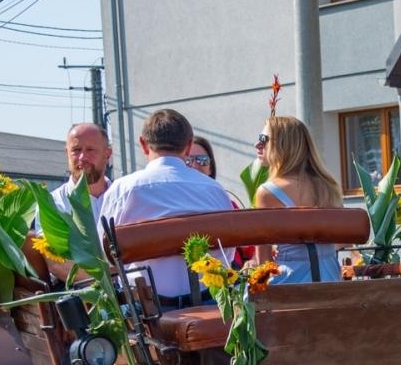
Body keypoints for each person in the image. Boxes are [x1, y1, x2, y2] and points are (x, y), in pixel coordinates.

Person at [98, 108, 234, 307]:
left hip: (148, 312)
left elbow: (106, 255)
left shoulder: (123, 189)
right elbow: (227, 251)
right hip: (209, 304)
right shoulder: (215, 190)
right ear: (188, 147)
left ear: (143, 144)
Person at [253, 115, 343, 284]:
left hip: (291, 283)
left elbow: (263, 262)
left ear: (283, 144)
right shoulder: (327, 186)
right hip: (331, 280)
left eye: (263, 139)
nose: (257, 144)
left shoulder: (267, 192)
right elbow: (342, 240)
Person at [50, 122, 114, 223]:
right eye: (76, 150)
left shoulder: (125, 199)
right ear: (67, 153)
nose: (82, 157)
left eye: (90, 150)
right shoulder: (53, 204)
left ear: (107, 155)